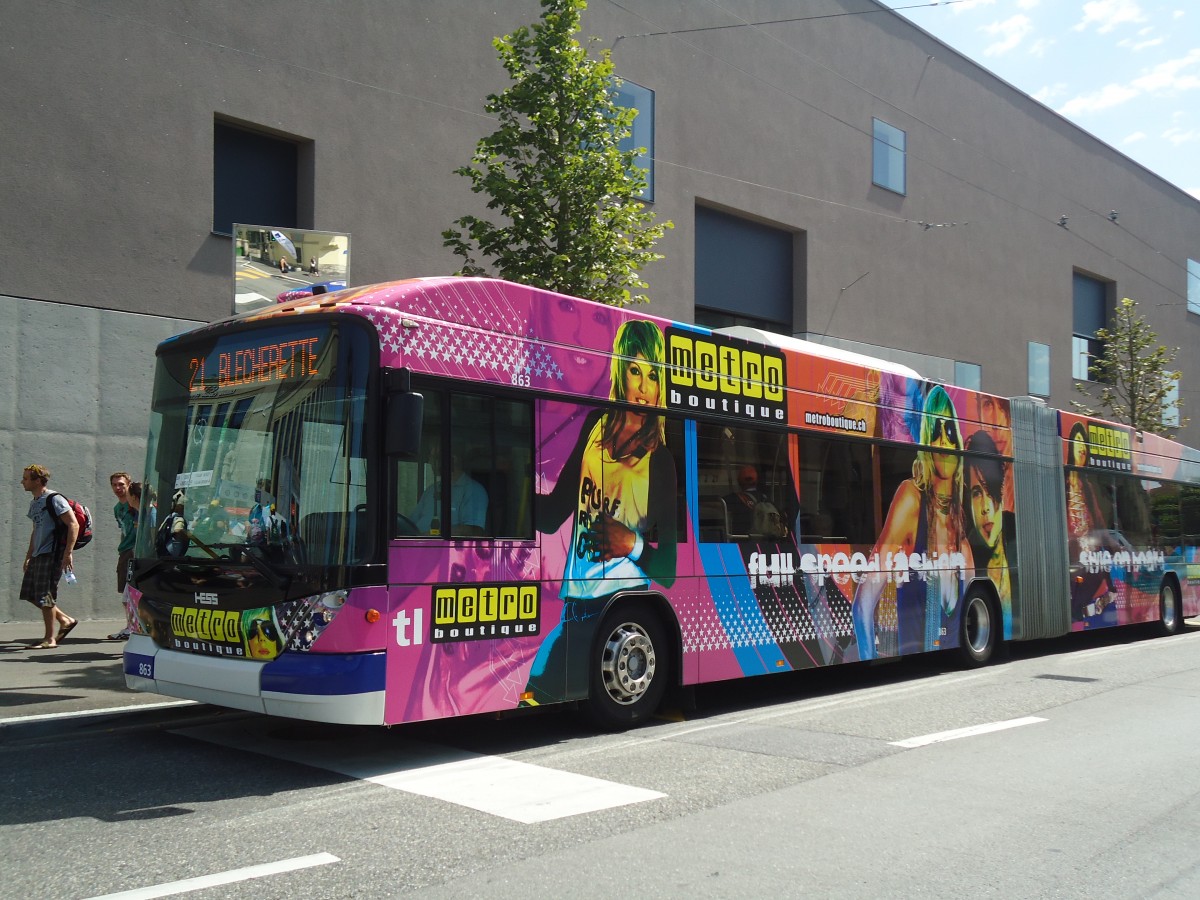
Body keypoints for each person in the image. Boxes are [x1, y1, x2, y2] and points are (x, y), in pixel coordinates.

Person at [527, 319, 678, 703]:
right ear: (620, 372)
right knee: (536, 694)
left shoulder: (659, 462)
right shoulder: (595, 427)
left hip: (621, 600)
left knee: (541, 693)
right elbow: (554, 512)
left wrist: (632, 543)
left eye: (653, 375)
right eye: (635, 371)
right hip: (574, 607)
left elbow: (671, 571)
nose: (644, 388)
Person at [852, 385, 973, 659]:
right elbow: (862, 606)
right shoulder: (911, 499)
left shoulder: (962, 541)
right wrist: (869, 664)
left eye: (950, 433)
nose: (943, 442)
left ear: (958, 447)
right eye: (936, 433)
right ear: (926, 445)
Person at [19, 464, 79, 649]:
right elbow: (36, 529)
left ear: (37, 481)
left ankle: (49, 638)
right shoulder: (35, 502)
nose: (22, 482)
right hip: (38, 554)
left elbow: (73, 524)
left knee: (46, 596)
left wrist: (68, 553)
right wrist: (29, 555)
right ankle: (65, 619)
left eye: (26, 478)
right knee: (31, 594)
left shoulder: (54, 499)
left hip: (51, 554)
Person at [964, 432, 1014, 636]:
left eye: (990, 490)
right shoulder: (966, 557)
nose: (985, 508)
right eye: (976, 493)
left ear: (1001, 490)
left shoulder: (1020, 535)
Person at [411, 449, 488, 537]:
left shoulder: (473, 490)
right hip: (414, 545)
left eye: (435, 457)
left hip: (443, 548)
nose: (429, 461)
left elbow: (474, 530)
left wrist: (434, 535)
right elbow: (412, 522)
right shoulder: (431, 490)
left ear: (453, 459)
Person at [108, 471, 138, 640]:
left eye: (121, 484)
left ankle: (131, 627)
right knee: (125, 593)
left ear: (129, 485)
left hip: (135, 552)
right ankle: (131, 625)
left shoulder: (135, 506)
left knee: (130, 593)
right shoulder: (117, 509)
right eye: (114, 485)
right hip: (124, 552)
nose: (118, 488)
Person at [723, 464, 761, 536]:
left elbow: (712, 504)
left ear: (739, 481)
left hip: (741, 541)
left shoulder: (732, 499)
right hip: (764, 542)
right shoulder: (765, 499)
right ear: (756, 481)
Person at [157, 490, 189, 557]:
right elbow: (178, 530)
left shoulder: (169, 517)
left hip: (163, 552)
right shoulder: (179, 518)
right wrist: (188, 536)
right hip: (173, 556)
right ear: (180, 507)